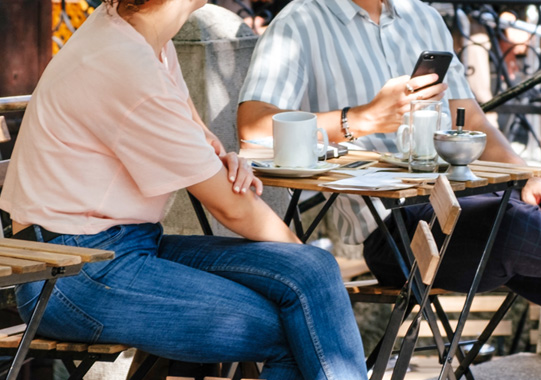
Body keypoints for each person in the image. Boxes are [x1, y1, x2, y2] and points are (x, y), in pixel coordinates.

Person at [237, 0, 541, 378]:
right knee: (514, 226)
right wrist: (364, 118)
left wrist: (529, 177)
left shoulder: (420, 16)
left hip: (469, 215)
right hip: (390, 231)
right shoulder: (299, 21)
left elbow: (471, 117)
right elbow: (253, 129)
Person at [0, 1, 367, 379]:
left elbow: (201, 143)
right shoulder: (125, 62)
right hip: (70, 274)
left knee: (315, 266)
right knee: (294, 328)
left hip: (127, 246)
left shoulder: (149, 41)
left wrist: (225, 160)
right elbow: (232, 209)